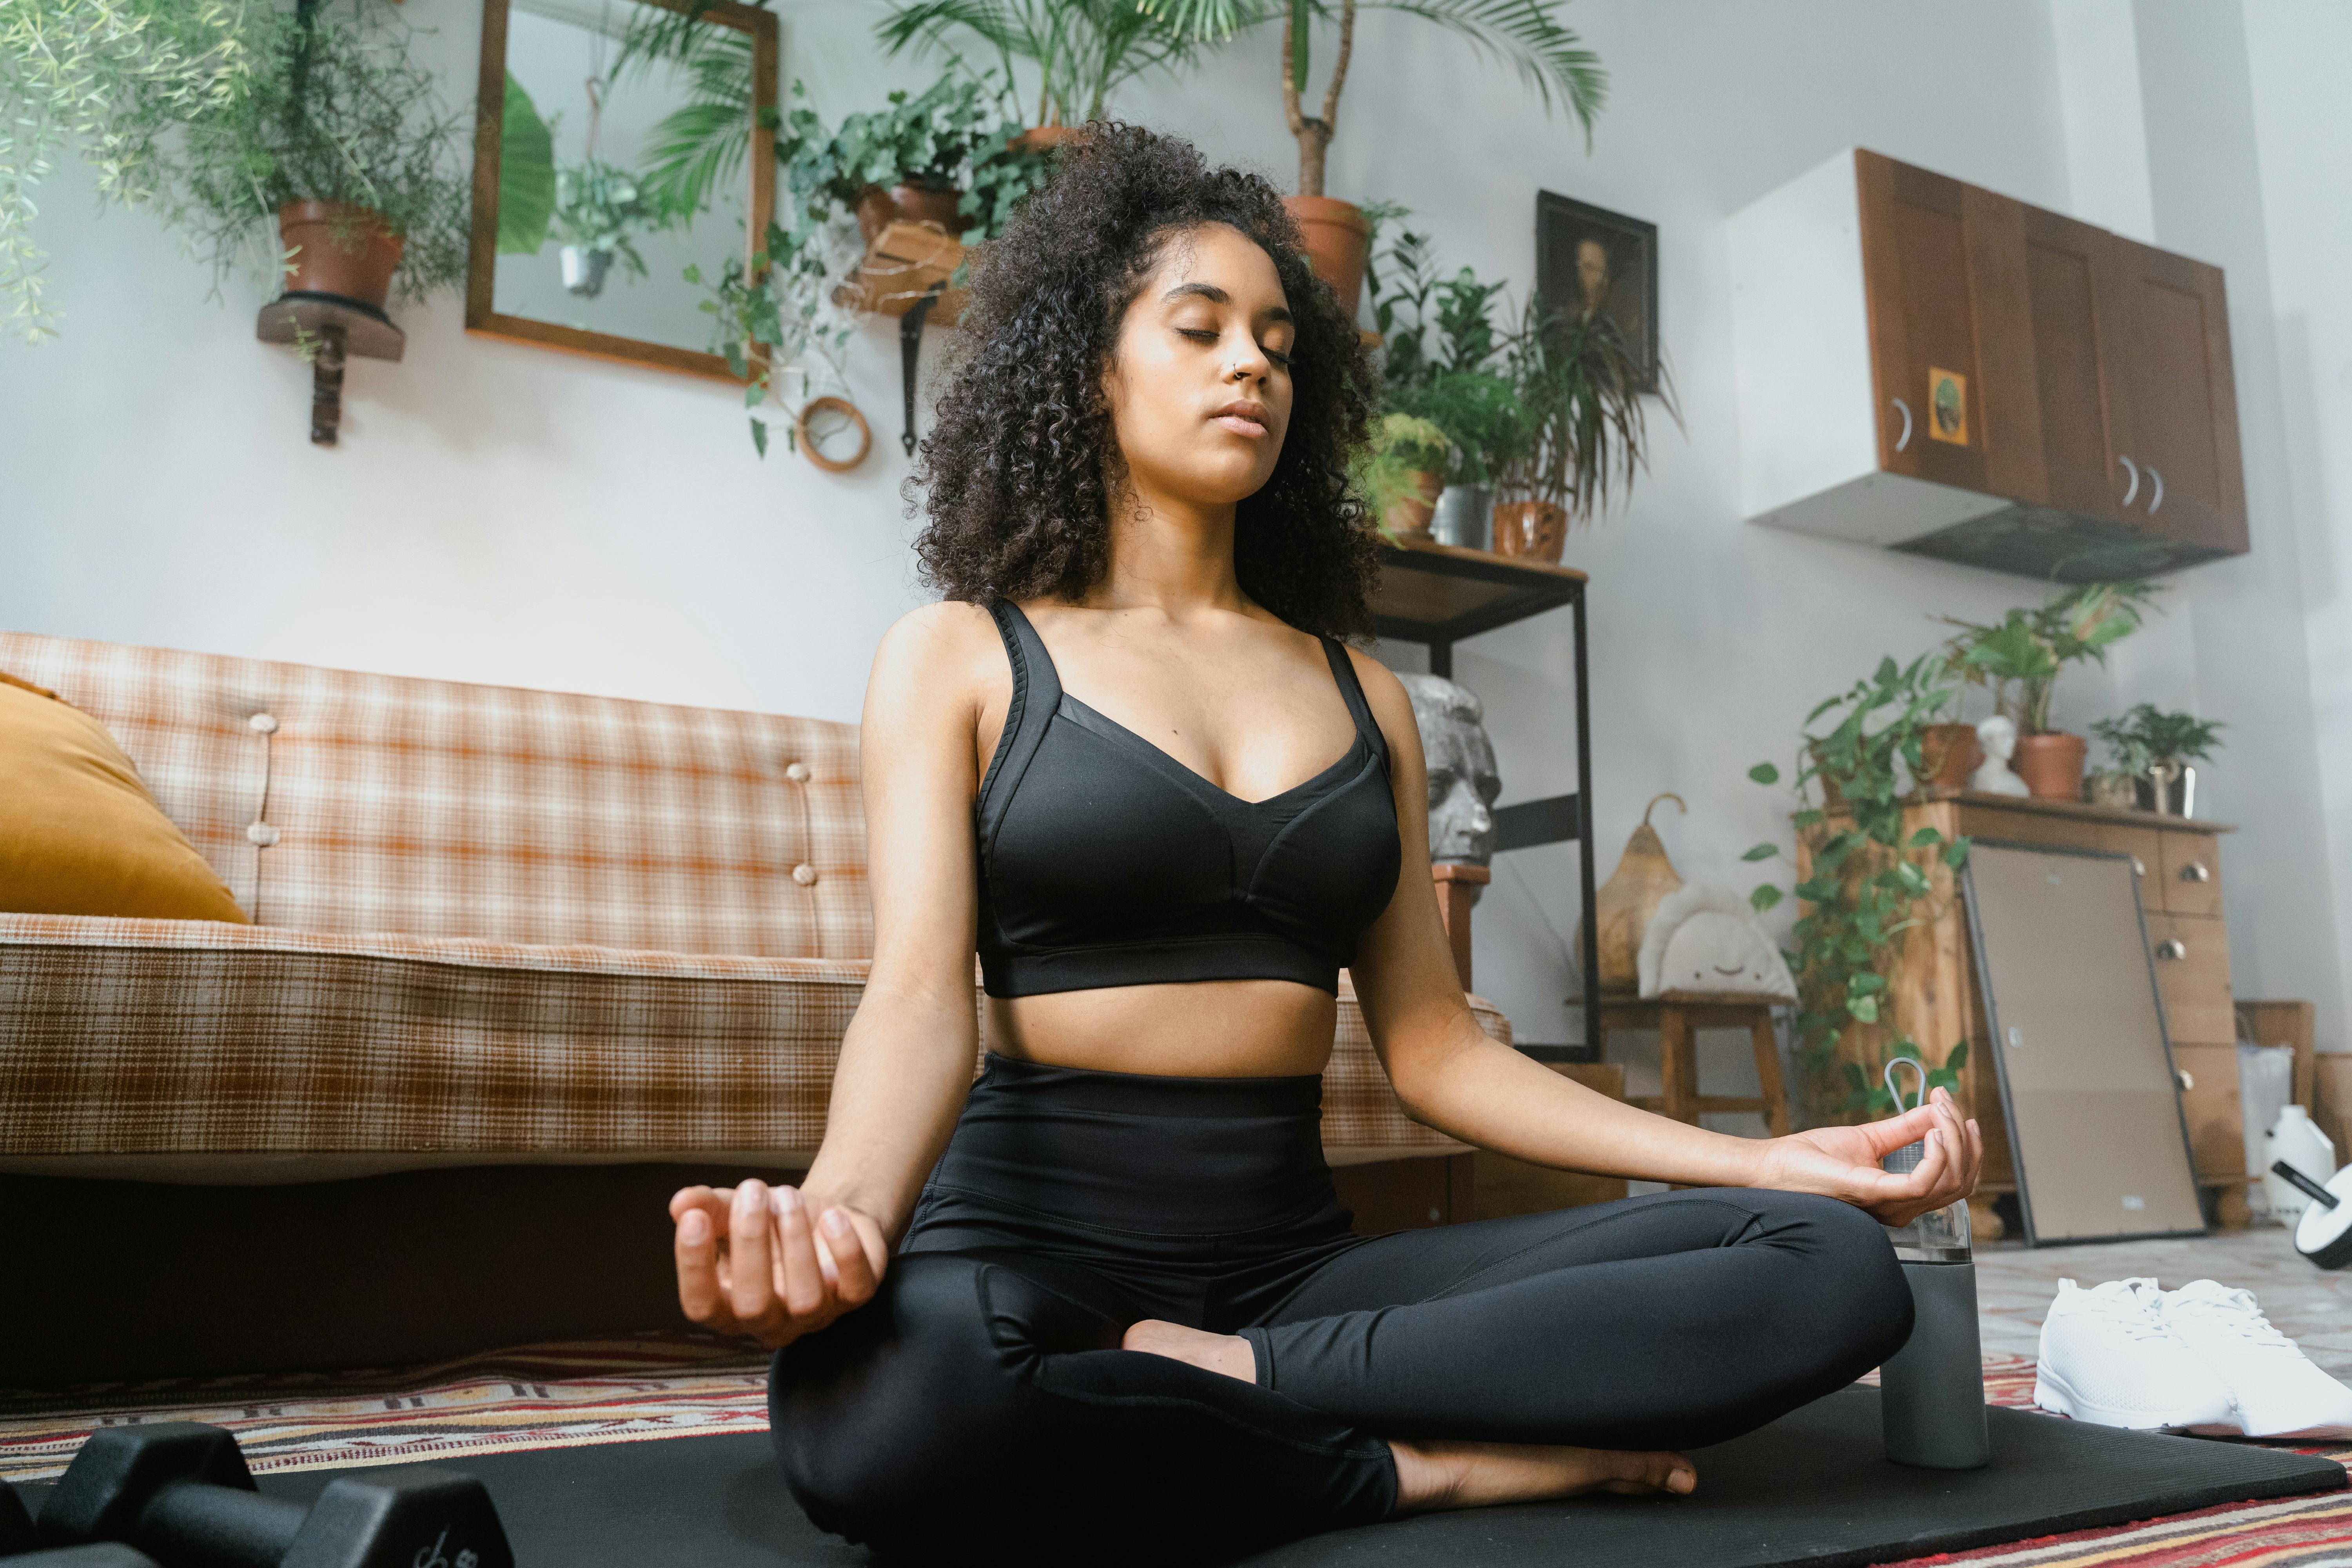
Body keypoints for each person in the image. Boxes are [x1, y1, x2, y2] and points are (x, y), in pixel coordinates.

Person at [666, 123, 1981, 1568]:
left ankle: (1235, 1390)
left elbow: (1438, 1049)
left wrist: (1763, 1160)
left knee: (1834, 1269)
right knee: (894, 1410)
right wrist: (842, 1222)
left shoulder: (1372, 697)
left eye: (1281, 343)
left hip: (1298, 1277)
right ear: (1089, 366)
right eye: (1202, 327)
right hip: (1030, 1257)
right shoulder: (962, 659)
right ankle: (1426, 1471)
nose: (1255, 365)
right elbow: (917, 997)